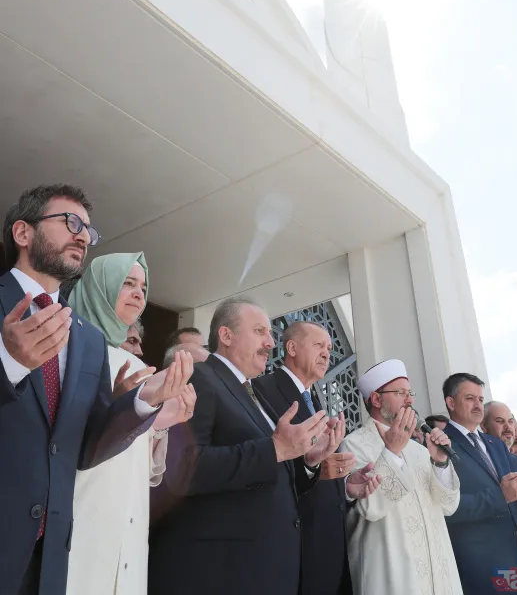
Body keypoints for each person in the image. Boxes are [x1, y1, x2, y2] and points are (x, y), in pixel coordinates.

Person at [0, 184, 192, 595]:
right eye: (70, 222)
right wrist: (10, 364)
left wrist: (142, 403)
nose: (83, 236)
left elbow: (83, 448)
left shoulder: (84, 337)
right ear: (23, 233)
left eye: (88, 229)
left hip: (53, 559)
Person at [149, 296, 339, 595]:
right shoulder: (200, 377)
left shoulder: (252, 393)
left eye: (270, 334)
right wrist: (275, 449)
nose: (271, 343)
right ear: (226, 335)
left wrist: (308, 460)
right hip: (218, 572)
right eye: (260, 331)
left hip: (258, 571)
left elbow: (268, 475)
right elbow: (182, 467)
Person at [66, 253, 196, 595]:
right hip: (81, 511)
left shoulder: (134, 364)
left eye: (143, 286)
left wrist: (162, 421)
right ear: (99, 288)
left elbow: (145, 468)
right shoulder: (68, 348)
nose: (139, 293)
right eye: (128, 282)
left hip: (128, 521)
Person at [253, 321, 380, 595]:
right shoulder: (263, 390)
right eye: (318, 345)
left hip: (328, 542)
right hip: (295, 546)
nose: (327, 354)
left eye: (330, 348)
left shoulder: (313, 398)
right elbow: (272, 462)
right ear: (292, 347)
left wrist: (344, 487)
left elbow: (318, 465)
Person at [339, 359, 462, 595]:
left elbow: (448, 506)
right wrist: (392, 453)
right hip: (392, 575)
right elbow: (370, 508)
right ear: (376, 399)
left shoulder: (419, 448)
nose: (410, 400)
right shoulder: (354, 444)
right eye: (401, 393)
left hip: (439, 572)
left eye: (410, 393)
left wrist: (439, 461)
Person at [442, 373, 517, 595]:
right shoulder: (440, 445)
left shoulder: (495, 445)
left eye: (480, 399)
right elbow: (446, 508)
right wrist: (501, 496)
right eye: (470, 398)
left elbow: (515, 507)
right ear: (451, 403)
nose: (478, 404)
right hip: (481, 571)